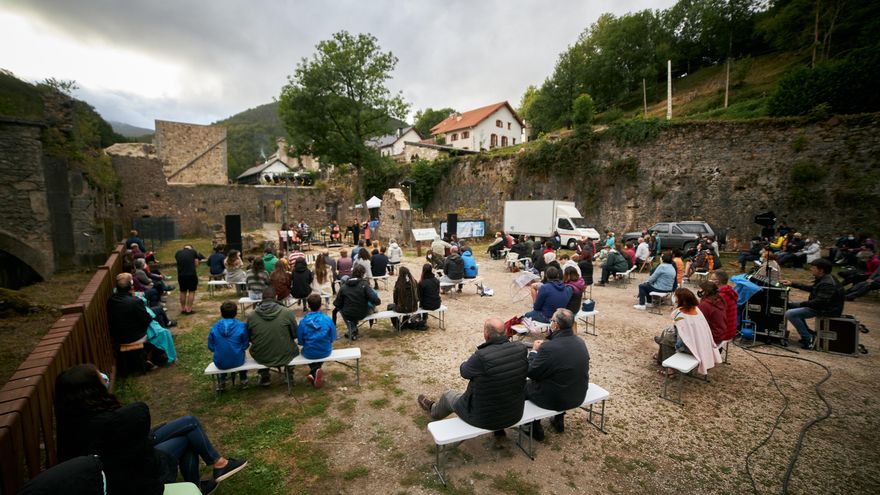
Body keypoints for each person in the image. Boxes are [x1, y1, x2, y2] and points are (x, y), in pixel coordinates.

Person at [55, 364, 246, 495]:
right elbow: (139, 412)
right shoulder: (105, 422)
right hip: (131, 475)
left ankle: (207, 476)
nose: (104, 377)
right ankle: (218, 464)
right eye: (100, 377)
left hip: (124, 463)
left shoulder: (72, 422)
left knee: (187, 432)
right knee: (190, 425)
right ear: (92, 389)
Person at [417, 318, 528, 434]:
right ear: (505, 332)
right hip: (514, 413)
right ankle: (499, 432)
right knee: (502, 386)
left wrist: (470, 361)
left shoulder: (482, 356)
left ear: (486, 334)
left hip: (484, 419)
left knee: (448, 396)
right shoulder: (521, 348)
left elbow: (464, 372)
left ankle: (433, 409)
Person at [525, 308, 589, 440]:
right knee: (562, 377)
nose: (550, 322)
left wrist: (534, 352)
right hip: (578, 394)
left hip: (555, 399)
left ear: (556, 325)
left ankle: (533, 425)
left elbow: (531, 372)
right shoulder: (580, 342)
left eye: (552, 320)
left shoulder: (549, 347)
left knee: (523, 386)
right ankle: (559, 420)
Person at [654, 288, 722, 376]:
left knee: (667, 340)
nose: (674, 299)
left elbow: (681, 335)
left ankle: (670, 370)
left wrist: (677, 346)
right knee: (666, 334)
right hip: (702, 343)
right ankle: (660, 357)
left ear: (681, 300)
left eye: (676, 297)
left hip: (692, 347)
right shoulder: (696, 309)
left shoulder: (681, 314)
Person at [782, 259, 845, 349]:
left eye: (813, 267)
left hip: (827, 310)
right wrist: (792, 284)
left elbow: (818, 303)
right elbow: (813, 289)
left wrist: (800, 304)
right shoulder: (825, 278)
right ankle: (809, 334)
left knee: (790, 313)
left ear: (821, 270)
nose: (811, 269)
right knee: (793, 308)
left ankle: (809, 339)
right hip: (824, 307)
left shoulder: (827, 284)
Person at [107, 273, 162, 371]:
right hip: (135, 336)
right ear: (130, 288)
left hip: (118, 337)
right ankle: (155, 357)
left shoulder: (110, 300)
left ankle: (149, 357)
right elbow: (147, 320)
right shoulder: (135, 301)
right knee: (158, 329)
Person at [247, 287, 299, 386]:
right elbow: (295, 334)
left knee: (261, 344)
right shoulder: (287, 312)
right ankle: (289, 375)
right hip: (285, 354)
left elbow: (250, 338)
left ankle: (265, 376)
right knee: (292, 346)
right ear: (276, 297)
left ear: (262, 298)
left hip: (262, 356)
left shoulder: (251, 316)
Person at [296, 293, 337, 388]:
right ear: (320, 305)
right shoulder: (327, 319)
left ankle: (314, 371)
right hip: (325, 351)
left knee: (308, 351)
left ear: (308, 306)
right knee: (319, 349)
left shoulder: (303, 322)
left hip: (309, 352)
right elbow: (333, 337)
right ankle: (315, 371)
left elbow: (300, 341)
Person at [208, 301, 249, 392]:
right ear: (236, 313)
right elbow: (245, 345)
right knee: (240, 353)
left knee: (223, 354)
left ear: (221, 313)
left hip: (220, 363)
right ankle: (243, 379)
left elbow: (211, 347)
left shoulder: (215, 327)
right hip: (238, 361)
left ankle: (222, 381)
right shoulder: (242, 326)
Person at [334, 264, 381, 341]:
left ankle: (352, 329)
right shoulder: (364, 285)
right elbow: (376, 301)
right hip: (362, 313)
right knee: (366, 308)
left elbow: (337, 303)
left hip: (348, 314)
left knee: (341, 309)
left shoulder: (344, 286)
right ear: (363, 274)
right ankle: (353, 329)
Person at [710, 270, 739, 343]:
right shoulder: (729, 291)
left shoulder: (721, 296)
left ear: (717, 282)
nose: (709, 281)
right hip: (731, 330)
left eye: (711, 280)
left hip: (724, 333)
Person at [175, 244, 205, 315]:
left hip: (181, 275)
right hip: (191, 275)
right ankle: (189, 309)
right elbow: (196, 263)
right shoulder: (193, 251)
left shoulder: (178, 253)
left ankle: (183, 309)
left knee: (182, 291)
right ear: (191, 248)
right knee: (191, 291)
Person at [697, 281, 727, 345]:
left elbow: (700, 323)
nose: (699, 291)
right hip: (720, 334)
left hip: (712, 337)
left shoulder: (705, 305)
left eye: (701, 289)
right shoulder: (719, 300)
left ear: (706, 292)